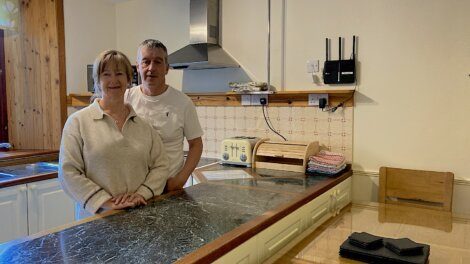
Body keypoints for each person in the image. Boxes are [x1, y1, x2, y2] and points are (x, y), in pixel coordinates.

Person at [59, 50, 169, 214]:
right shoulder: (78, 122)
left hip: (137, 216)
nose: (113, 80)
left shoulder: (143, 126)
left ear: (128, 79)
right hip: (96, 221)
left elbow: (161, 165)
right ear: (97, 79)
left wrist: (141, 194)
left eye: (119, 73)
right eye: (106, 74)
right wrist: (104, 201)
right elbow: (68, 171)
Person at [125, 39, 203, 190]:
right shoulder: (126, 98)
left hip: (168, 187)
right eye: (146, 62)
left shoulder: (182, 102)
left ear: (167, 68)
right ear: (138, 66)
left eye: (158, 62)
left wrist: (180, 180)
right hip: (133, 188)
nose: (151, 68)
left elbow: (196, 144)